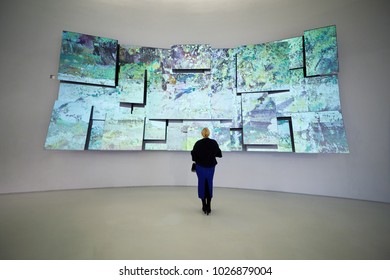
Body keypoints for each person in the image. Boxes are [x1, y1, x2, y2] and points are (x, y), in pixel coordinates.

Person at [191, 128, 222, 215]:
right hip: (211, 167)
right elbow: (219, 154)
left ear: (202, 134)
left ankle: (204, 205)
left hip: (200, 167)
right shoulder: (213, 143)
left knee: (201, 184)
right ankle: (209, 206)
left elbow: (194, 157)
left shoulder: (198, 143)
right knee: (209, 183)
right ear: (209, 133)